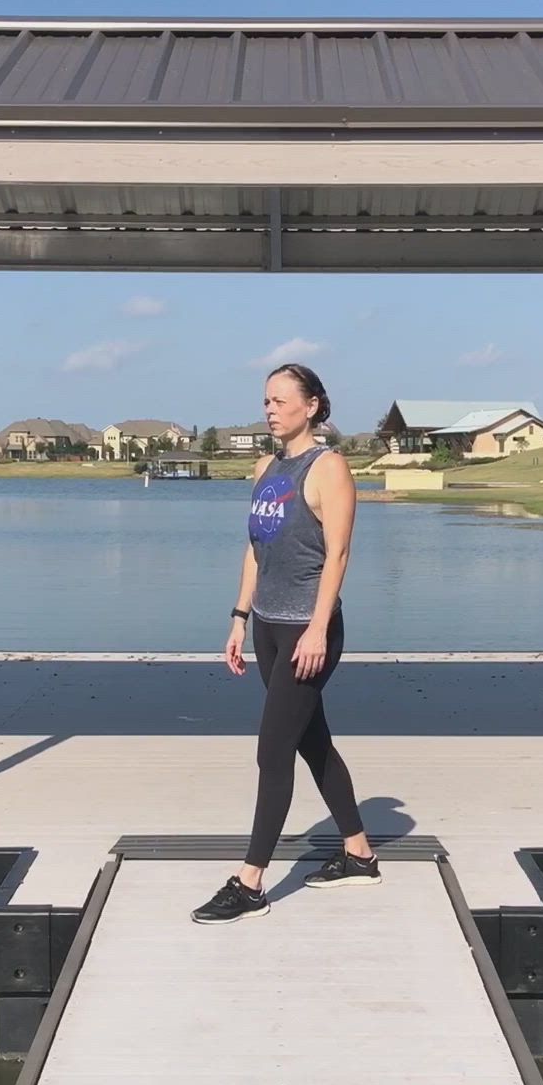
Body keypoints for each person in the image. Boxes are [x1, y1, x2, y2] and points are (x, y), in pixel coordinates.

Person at [191, 362, 379, 925]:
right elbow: (256, 548)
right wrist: (238, 618)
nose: (269, 409)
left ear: (313, 406)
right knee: (310, 741)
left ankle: (250, 883)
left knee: (271, 751)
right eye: (266, 401)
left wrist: (319, 628)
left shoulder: (330, 468)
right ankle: (359, 853)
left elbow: (338, 555)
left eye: (279, 400)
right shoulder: (265, 467)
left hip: (307, 631)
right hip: (269, 628)